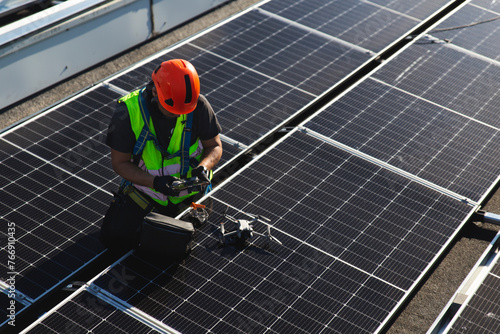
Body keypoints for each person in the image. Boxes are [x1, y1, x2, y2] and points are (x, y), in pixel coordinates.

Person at [100, 59, 222, 250]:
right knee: (114, 239)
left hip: (191, 196)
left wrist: (203, 168)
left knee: (177, 245)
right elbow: (120, 163)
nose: (179, 114)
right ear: (156, 91)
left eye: (184, 110)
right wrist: (154, 182)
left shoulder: (197, 104)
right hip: (147, 194)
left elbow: (214, 146)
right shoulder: (128, 112)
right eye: (172, 110)